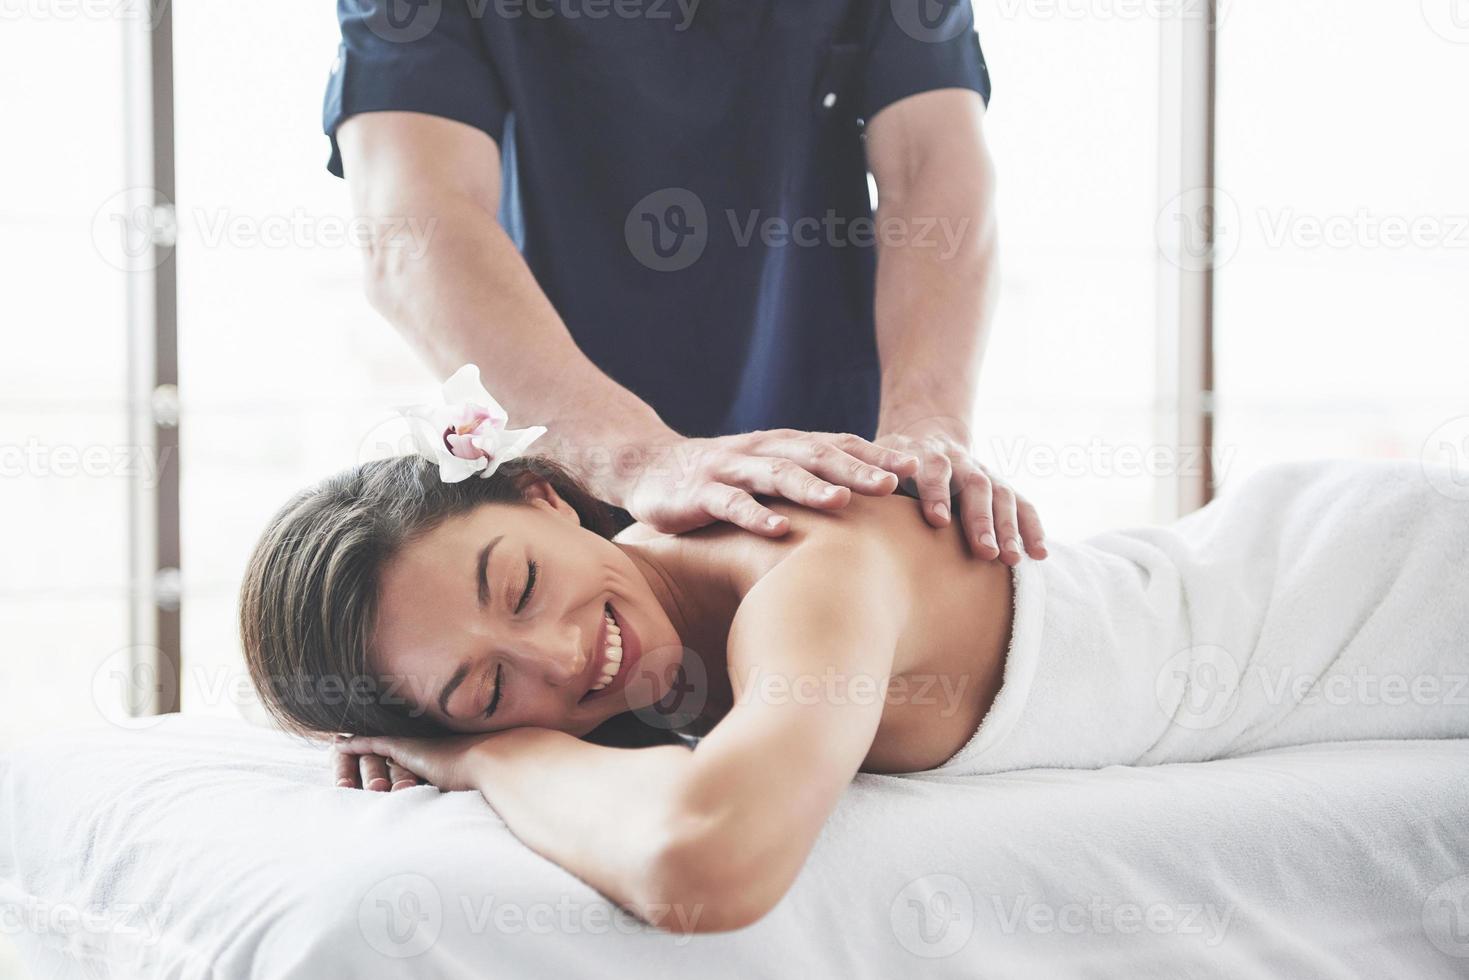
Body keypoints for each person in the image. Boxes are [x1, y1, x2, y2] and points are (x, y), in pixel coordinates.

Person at [239, 445, 1469, 933]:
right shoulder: (656, 628)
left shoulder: (803, 566)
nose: (559, 657)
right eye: (478, 688)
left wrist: (485, 755)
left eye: (517, 584)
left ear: (544, 494)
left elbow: (703, 862)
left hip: (1385, 584)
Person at [324, 0, 1046, 562]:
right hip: (572, 468)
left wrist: (924, 431)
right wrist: (638, 458)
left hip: (830, 471)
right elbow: (411, 227)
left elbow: (931, 167)